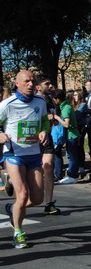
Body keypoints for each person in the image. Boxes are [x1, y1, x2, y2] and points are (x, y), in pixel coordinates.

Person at [1, 70, 49, 248]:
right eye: (26, 81)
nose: (31, 84)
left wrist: (45, 130)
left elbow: (44, 121)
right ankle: (18, 232)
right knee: (22, 195)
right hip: (14, 155)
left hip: (34, 154)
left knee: (37, 199)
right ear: (17, 84)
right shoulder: (7, 104)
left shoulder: (40, 101)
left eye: (32, 81)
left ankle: (14, 210)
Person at [35, 77, 60, 215]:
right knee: (33, 171)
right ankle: (11, 180)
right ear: (38, 87)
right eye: (47, 84)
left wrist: (53, 119)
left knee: (48, 167)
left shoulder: (50, 99)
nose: (50, 86)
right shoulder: (33, 100)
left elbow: (54, 117)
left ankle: (48, 203)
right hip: (32, 139)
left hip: (47, 137)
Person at [53, 89, 80, 184]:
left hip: (71, 135)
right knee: (71, 155)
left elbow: (66, 124)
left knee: (72, 156)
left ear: (57, 99)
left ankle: (72, 175)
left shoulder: (65, 108)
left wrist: (57, 118)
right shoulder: (66, 106)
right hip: (71, 135)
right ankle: (72, 173)